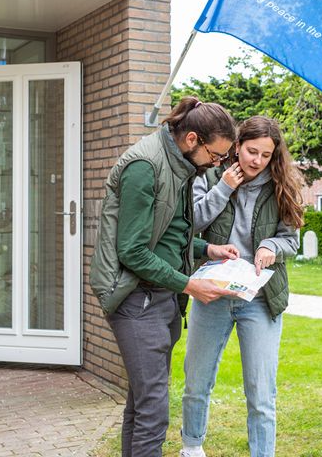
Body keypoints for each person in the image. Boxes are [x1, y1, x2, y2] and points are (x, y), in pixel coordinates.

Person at [90, 97, 242, 457]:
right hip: (135, 298)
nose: (218, 164)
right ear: (192, 139)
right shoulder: (146, 166)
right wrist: (190, 284)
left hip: (161, 297)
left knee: (142, 401)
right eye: (217, 156)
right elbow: (132, 250)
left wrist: (207, 250)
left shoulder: (179, 166)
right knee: (154, 411)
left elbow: (169, 232)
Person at [180, 116, 305, 457]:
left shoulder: (281, 185)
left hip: (260, 298)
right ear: (236, 146)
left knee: (261, 390)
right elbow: (191, 224)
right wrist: (224, 187)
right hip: (213, 294)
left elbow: (290, 241)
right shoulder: (207, 174)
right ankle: (191, 447)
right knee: (197, 380)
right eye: (252, 151)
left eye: (266, 155)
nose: (257, 161)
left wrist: (272, 247)